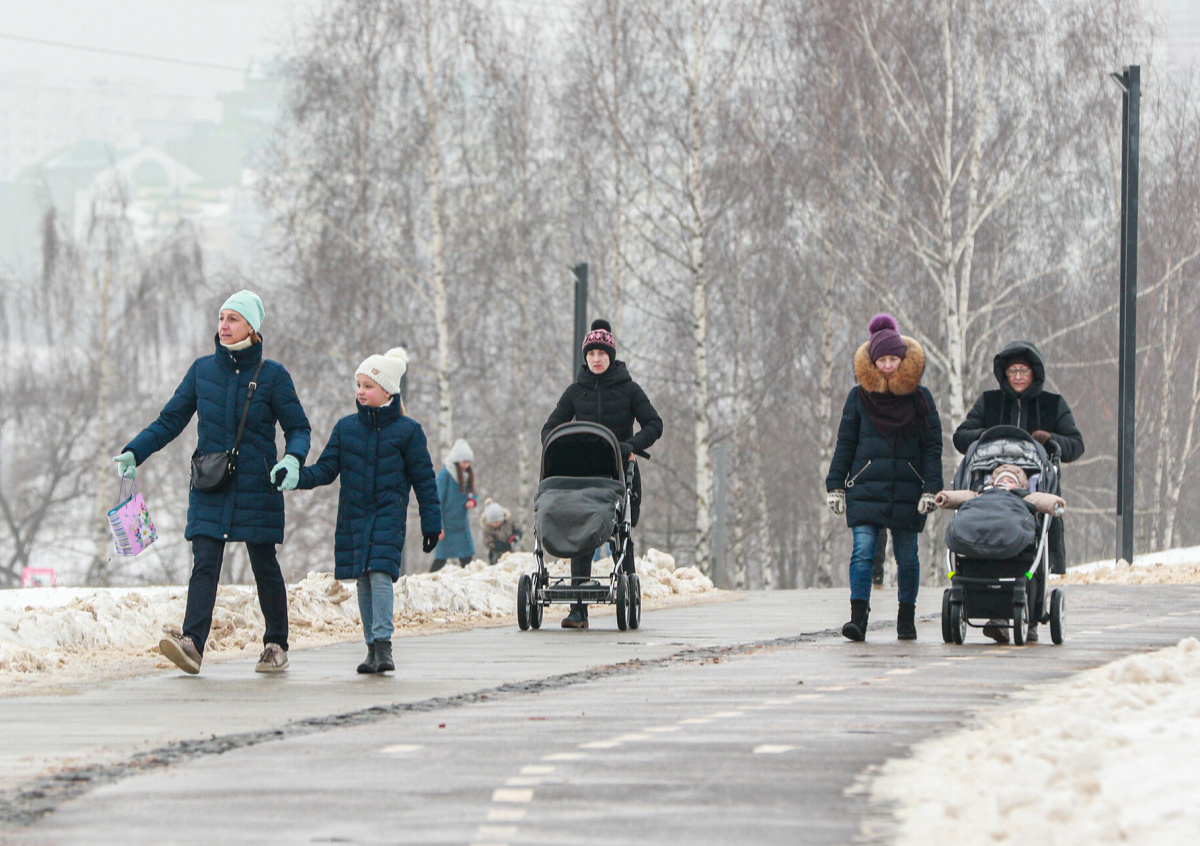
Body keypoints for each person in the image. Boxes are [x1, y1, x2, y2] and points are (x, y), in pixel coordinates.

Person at [113, 290, 310, 674]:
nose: (224, 325)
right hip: (211, 482)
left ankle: (275, 644)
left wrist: (292, 459)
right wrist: (135, 452)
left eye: (233, 319)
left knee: (263, 563)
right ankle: (192, 644)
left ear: (251, 327)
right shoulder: (202, 371)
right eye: (221, 318)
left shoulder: (273, 376)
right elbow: (170, 420)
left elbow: (298, 428)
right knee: (204, 560)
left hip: (258, 485)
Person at [293, 348, 441, 674]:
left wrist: (432, 523)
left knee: (380, 573)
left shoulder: (408, 431)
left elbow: (424, 480)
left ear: (387, 391)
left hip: (389, 514)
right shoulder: (346, 429)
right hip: (354, 515)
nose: (360, 391)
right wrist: (295, 477)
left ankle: (384, 645)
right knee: (362, 577)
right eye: (358, 385)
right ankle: (371, 649)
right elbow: (326, 469)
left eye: (368, 386)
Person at [953, 340, 1084, 640]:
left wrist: (1052, 440)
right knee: (990, 543)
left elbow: (1076, 445)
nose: (1018, 376)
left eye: (1023, 370)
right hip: (990, 496)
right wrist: (984, 435)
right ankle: (994, 610)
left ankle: (1031, 614)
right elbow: (961, 436)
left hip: (1032, 499)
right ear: (1004, 373)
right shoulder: (989, 402)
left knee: (1031, 548)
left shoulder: (1053, 404)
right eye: (1012, 371)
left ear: (1035, 372)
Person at [825, 314, 943, 642]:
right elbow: (845, 443)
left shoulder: (921, 399)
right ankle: (857, 618)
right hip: (866, 487)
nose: (888, 366)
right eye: (882, 360)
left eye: (894, 359)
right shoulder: (858, 397)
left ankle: (906, 617)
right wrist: (835, 485)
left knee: (907, 557)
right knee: (863, 551)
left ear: (903, 360)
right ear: (873, 362)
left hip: (908, 489)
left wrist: (931, 488)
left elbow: (932, 447)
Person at [541, 318, 663, 629]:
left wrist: (631, 445)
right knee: (580, 531)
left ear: (610, 355)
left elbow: (654, 424)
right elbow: (549, 428)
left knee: (622, 533)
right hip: (583, 475)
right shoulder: (575, 391)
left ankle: (627, 594)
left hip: (618, 473)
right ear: (586, 357)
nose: (596, 359)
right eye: (591, 353)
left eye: (601, 353)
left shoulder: (629, 389)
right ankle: (577, 611)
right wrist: (564, 448)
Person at [936, 464, 1065, 645]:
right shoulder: (981, 493)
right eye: (1001, 480)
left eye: (1010, 480)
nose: (1004, 482)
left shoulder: (1024, 496)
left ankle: (1012, 618)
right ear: (992, 483)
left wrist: (1055, 504)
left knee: (1011, 525)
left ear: (1020, 485)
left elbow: (1041, 499)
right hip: (981, 525)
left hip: (1010, 524)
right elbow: (963, 496)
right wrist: (945, 497)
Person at [430, 438, 477, 571]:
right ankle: (426, 581)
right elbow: (436, 502)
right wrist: (439, 526)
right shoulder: (444, 476)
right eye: (464, 462)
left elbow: (474, 493)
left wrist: (472, 501)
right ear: (456, 461)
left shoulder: (467, 475)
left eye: (469, 462)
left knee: (467, 560)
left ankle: (468, 582)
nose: (467, 465)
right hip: (447, 526)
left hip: (462, 527)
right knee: (440, 561)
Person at [480, 499, 522, 565]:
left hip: (511, 552)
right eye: (494, 522)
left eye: (499, 521)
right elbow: (488, 542)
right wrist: (500, 546)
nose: (497, 523)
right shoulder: (487, 529)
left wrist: (516, 536)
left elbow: (517, 530)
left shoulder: (508, 522)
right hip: (496, 556)